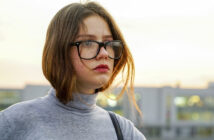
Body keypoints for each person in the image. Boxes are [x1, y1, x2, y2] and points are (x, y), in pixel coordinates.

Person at [0, 2, 146, 140]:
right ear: (60, 51)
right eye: (88, 42)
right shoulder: (14, 121)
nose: (104, 53)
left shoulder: (123, 131)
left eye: (109, 43)